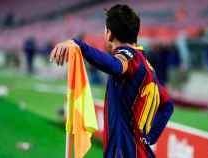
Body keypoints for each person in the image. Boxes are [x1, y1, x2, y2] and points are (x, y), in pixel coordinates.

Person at [50, 4, 174, 158]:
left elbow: (116, 66)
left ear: (109, 34)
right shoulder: (147, 67)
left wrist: (79, 45)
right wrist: (149, 137)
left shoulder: (129, 55)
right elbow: (167, 105)